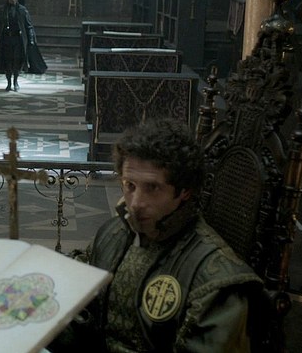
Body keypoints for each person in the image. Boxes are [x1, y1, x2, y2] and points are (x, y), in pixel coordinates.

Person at [49, 118, 263, 352]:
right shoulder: (113, 233)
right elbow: (79, 308)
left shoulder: (216, 282)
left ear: (184, 191)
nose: (136, 203)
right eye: (130, 185)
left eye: (152, 188)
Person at [0, 0, 47, 90]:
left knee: (17, 61)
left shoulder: (22, 10)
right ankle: (9, 83)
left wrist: (31, 39)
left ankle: (15, 81)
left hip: (18, 39)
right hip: (6, 39)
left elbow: (29, 26)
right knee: (7, 61)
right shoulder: (1, 10)